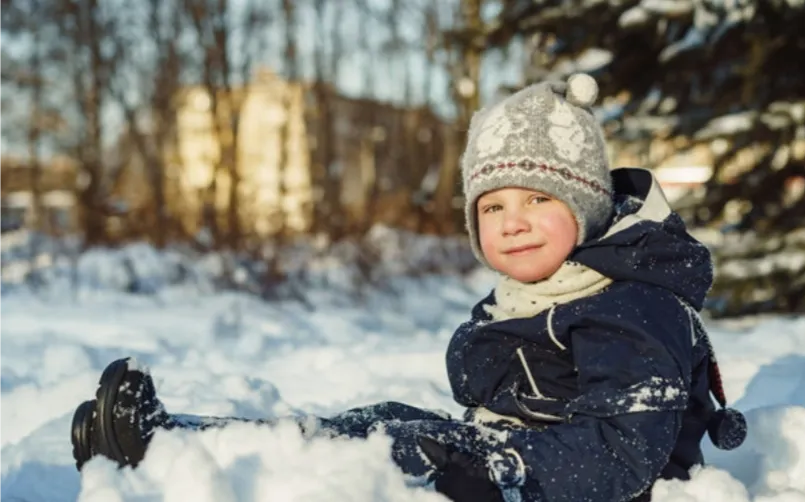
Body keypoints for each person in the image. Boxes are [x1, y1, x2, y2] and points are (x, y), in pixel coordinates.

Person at [69, 73, 746, 502]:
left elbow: (622, 455)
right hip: (523, 464)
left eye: (537, 201)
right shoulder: (539, 293)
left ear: (589, 207)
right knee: (375, 421)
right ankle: (180, 442)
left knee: (394, 447)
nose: (512, 225)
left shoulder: (629, 304)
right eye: (491, 207)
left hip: (581, 486)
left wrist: (484, 461)